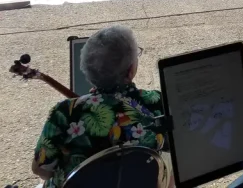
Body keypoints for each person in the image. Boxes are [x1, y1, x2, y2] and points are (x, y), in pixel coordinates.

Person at [32, 26, 166, 188]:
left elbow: (42, 171)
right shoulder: (155, 102)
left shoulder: (64, 113)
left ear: (88, 71)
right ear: (130, 71)